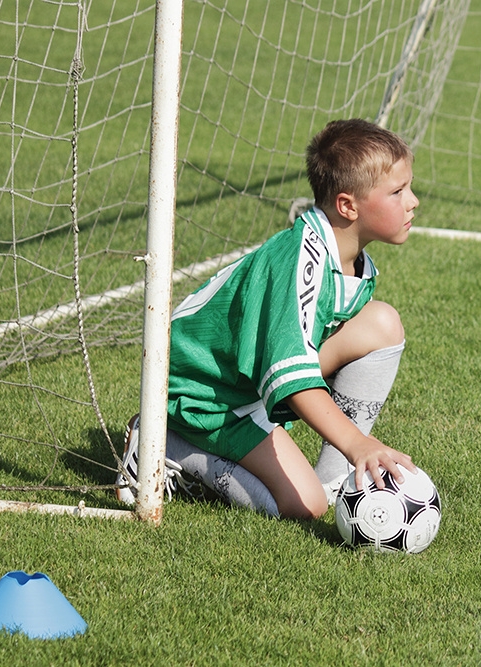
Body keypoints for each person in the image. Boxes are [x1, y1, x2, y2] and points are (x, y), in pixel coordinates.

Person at [116, 118, 419, 519]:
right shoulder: (300, 263)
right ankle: (159, 447)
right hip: (204, 395)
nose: (413, 201)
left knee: (382, 325)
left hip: (245, 378)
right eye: (398, 192)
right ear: (347, 205)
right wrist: (358, 443)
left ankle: (337, 483)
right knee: (302, 506)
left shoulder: (348, 258)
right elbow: (290, 378)